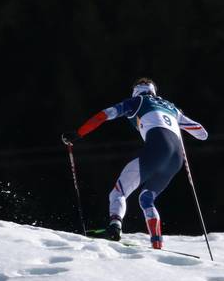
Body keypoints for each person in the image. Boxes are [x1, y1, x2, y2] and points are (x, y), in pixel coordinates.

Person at [75, 78, 208, 248]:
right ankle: (157, 243)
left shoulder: (136, 101)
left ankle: (114, 228)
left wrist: (78, 133)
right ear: (153, 91)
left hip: (157, 151)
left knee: (118, 192)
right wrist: (179, 118)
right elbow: (202, 134)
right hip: (176, 159)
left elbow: (104, 115)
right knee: (146, 199)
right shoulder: (172, 107)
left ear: (135, 91)